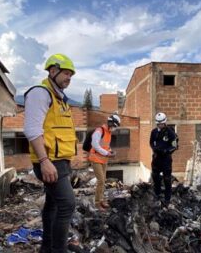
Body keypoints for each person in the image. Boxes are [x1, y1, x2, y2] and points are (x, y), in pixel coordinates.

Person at [24, 53, 77, 253]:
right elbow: (32, 129)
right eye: (65, 73)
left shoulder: (60, 99)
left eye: (71, 75)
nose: (68, 78)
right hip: (49, 162)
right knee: (67, 205)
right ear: (52, 71)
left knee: (53, 205)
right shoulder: (40, 93)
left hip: (60, 161)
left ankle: (47, 248)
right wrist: (44, 160)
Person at [88, 114, 121, 211]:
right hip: (95, 159)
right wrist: (107, 153)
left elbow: (105, 146)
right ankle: (97, 203)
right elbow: (95, 145)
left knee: (103, 181)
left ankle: (101, 199)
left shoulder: (108, 133)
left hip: (103, 160)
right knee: (101, 181)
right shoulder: (99, 131)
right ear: (110, 123)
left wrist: (110, 151)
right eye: (115, 126)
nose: (115, 128)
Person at [149, 112, 178, 207]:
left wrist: (167, 151)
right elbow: (151, 143)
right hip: (157, 158)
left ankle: (167, 198)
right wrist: (155, 148)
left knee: (167, 179)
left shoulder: (170, 132)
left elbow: (174, 146)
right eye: (158, 124)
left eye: (161, 123)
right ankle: (157, 194)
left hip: (166, 159)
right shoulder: (154, 132)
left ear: (164, 122)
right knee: (155, 176)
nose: (159, 125)